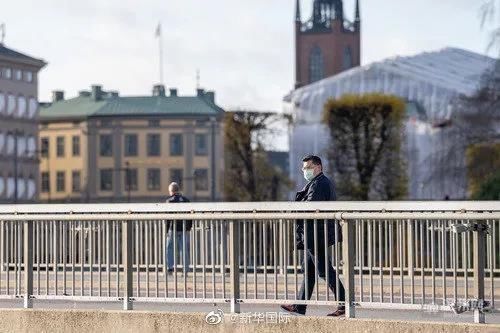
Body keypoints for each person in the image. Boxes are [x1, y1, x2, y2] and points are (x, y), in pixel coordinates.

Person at [280, 155, 346, 317]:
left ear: (318, 167)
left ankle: (344, 304)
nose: (305, 171)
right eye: (303, 168)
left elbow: (310, 207)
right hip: (315, 234)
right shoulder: (318, 182)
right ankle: (299, 306)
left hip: (317, 235)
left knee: (324, 271)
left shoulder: (319, 184)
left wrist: (294, 209)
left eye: (308, 167)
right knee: (309, 271)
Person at [165, 182, 192, 274]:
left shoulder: (169, 201)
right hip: (184, 228)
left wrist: (166, 229)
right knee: (184, 248)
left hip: (173, 228)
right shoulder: (186, 200)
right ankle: (185, 270)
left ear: (171, 191)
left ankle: (170, 268)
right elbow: (190, 215)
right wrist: (189, 227)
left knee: (170, 247)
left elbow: (168, 217)